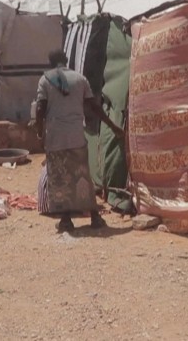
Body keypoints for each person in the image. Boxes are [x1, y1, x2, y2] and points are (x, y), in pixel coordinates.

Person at [34, 50, 124, 232]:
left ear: (51, 63)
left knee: (60, 179)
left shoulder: (45, 80)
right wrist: (113, 126)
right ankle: (95, 217)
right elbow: (94, 107)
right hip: (76, 136)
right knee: (83, 177)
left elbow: (40, 109)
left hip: (56, 138)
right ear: (66, 60)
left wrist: (39, 133)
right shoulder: (80, 79)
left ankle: (66, 220)